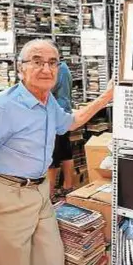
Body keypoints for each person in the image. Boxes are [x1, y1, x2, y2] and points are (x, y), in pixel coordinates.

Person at [0, 39, 113, 265]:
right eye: (37, 62)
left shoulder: (46, 100)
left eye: (52, 63)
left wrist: (107, 96)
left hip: (40, 195)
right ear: (20, 68)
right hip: (7, 199)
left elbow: (70, 122)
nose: (46, 69)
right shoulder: (1, 108)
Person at [48, 60, 75, 203]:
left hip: (56, 115)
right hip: (65, 113)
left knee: (52, 156)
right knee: (65, 152)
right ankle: (68, 187)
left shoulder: (58, 69)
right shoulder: (65, 67)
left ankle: (49, 194)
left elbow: (48, 88)